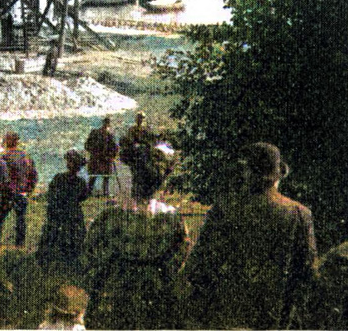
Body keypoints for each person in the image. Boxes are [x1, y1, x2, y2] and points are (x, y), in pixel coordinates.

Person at [181, 141, 317, 329]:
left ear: (247, 173)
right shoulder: (299, 213)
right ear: (278, 176)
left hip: (224, 315)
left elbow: (199, 261)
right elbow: (307, 270)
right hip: (273, 317)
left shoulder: (224, 208)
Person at [82, 141, 186, 329]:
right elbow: (180, 253)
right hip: (156, 288)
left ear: (134, 180)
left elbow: (90, 250)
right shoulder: (172, 216)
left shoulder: (112, 214)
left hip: (117, 287)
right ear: (159, 184)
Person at [37, 149, 89, 269]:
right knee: (74, 236)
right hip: (73, 212)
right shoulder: (80, 182)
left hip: (57, 211)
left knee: (51, 235)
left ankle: (46, 260)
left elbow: (51, 194)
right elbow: (83, 197)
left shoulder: (59, 178)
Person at [0, 131, 37, 247]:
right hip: (22, 192)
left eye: (6, 140)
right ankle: (20, 244)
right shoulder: (26, 157)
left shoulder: (5, 157)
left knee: (0, 217)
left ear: (9, 141)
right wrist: (29, 190)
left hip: (8, 192)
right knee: (21, 219)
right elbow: (34, 175)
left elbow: (2, 176)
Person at [118, 112, 153, 200]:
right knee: (136, 174)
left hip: (145, 153)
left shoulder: (146, 129)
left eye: (141, 118)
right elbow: (129, 140)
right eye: (139, 118)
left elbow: (150, 140)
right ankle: (136, 193)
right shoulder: (132, 129)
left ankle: (145, 193)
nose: (140, 120)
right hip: (136, 154)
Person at [84, 117, 118, 197]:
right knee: (94, 177)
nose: (106, 125)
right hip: (97, 159)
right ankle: (89, 192)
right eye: (106, 123)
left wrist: (112, 156)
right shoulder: (96, 133)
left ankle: (104, 192)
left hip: (104, 159)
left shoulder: (109, 135)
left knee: (105, 177)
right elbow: (87, 145)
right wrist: (94, 152)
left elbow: (114, 147)